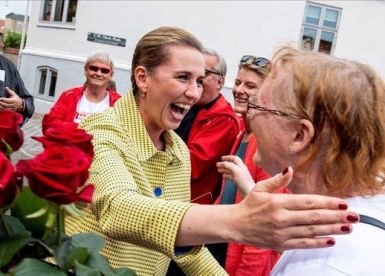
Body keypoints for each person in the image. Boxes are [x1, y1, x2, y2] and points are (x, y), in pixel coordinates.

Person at [65, 27, 360, 276]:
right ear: (142, 78)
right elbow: (118, 210)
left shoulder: (177, 149)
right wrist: (236, 221)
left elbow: (186, 250)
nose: (193, 93)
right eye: (182, 78)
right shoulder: (100, 131)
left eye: (198, 81)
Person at [217, 46, 385, 275]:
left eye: (257, 106)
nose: (250, 115)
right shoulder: (358, 213)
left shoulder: (324, 266)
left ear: (299, 136)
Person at [216, 55, 289, 275]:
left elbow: (264, 228)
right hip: (222, 247)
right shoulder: (244, 134)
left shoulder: (267, 144)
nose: (239, 90)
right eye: (238, 82)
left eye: (250, 86)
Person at [174, 48, 239, 204]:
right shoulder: (186, 104)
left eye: (205, 73)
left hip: (190, 203)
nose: (198, 78)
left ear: (220, 82)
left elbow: (193, 165)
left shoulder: (224, 119)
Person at [42, 51, 121, 132]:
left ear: (111, 75)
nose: (98, 73)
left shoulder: (119, 103)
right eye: (94, 68)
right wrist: (86, 132)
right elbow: (49, 124)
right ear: (85, 70)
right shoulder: (69, 96)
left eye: (104, 70)